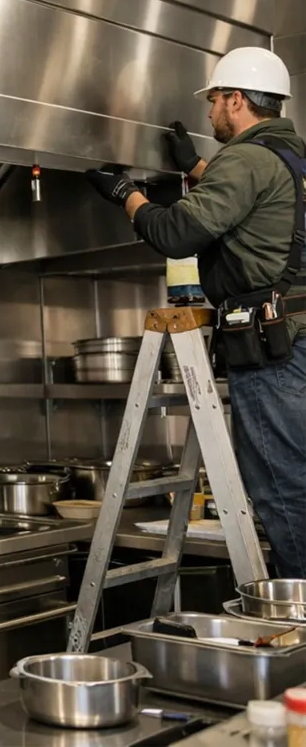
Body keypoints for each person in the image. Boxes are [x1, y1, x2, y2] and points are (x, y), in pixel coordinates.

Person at [86, 46, 305, 579]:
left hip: (273, 349)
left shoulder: (245, 159)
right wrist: (194, 167)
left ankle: (298, 618)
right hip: (297, 334)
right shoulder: (293, 156)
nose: (209, 114)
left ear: (235, 100)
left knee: (282, 488)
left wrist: (127, 195)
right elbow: (257, 206)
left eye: (213, 102)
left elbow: (174, 232)